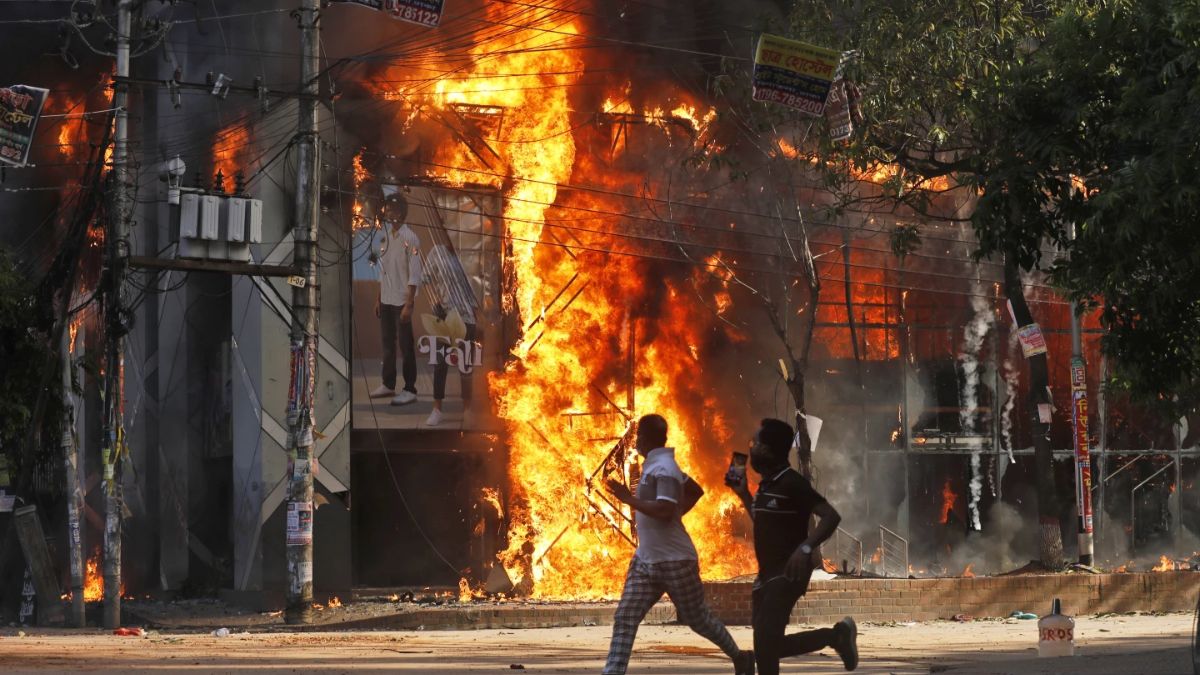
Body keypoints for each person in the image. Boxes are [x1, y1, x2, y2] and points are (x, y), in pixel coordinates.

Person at [603, 414, 754, 675]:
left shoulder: (664, 469)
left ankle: (740, 657)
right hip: (646, 559)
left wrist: (629, 499)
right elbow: (695, 490)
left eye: (638, 436)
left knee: (698, 620)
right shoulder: (658, 464)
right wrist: (677, 513)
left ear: (647, 438)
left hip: (675, 561)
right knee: (625, 617)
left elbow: (663, 509)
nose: (636, 441)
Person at [725, 418, 859, 674]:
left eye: (755, 443)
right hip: (766, 575)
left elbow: (831, 516)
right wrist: (743, 495)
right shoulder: (766, 484)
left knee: (765, 647)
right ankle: (836, 636)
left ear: (768, 449)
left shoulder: (792, 483)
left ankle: (836, 637)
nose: (750, 449)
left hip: (787, 573)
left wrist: (805, 548)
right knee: (767, 647)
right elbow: (764, 523)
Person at [369, 192, 422, 406]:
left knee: (405, 347)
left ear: (400, 211)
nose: (387, 212)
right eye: (386, 209)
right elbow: (385, 272)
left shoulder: (411, 238)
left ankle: (410, 389)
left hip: (402, 302)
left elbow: (415, 273)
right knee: (388, 345)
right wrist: (378, 298)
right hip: (387, 300)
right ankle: (388, 384)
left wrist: (409, 304)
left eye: (391, 209)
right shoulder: (387, 237)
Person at [421, 242, 478, 427]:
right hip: (445, 317)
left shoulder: (468, 248)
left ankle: (467, 410)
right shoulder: (437, 251)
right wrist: (435, 301)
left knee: (466, 366)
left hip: (467, 317)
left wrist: (478, 312)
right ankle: (437, 409)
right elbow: (425, 278)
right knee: (440, 364)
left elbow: (477, 284)